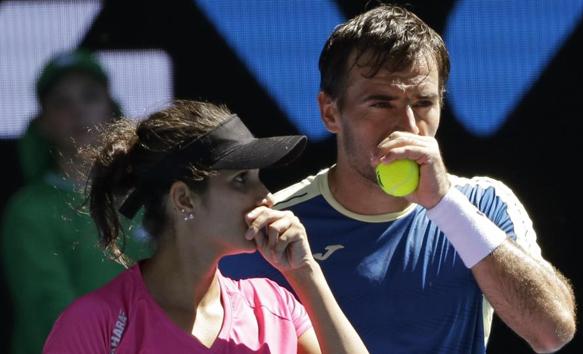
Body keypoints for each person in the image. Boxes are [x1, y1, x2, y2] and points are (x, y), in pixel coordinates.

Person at [220, 4, 577, 353]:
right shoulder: (274, 231)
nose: (407, 126)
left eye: (423, 103)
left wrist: (444, 204)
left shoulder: (484, 205)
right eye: (381, 103)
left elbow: (552, 333)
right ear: (330, 112)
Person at [43, 100, 369, 354]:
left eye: (259, 179)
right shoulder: (95, 323)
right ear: (184, 199)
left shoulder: (275, 306)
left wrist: (306, 274)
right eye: (241, 180)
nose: (266, 196)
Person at [1, 49, 150, 354]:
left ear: (112, 112)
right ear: (42, 123)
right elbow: (49, 308)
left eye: (90, 96)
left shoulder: (150, 198)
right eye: (61, 102)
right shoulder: (28, 211)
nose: (78, 110)